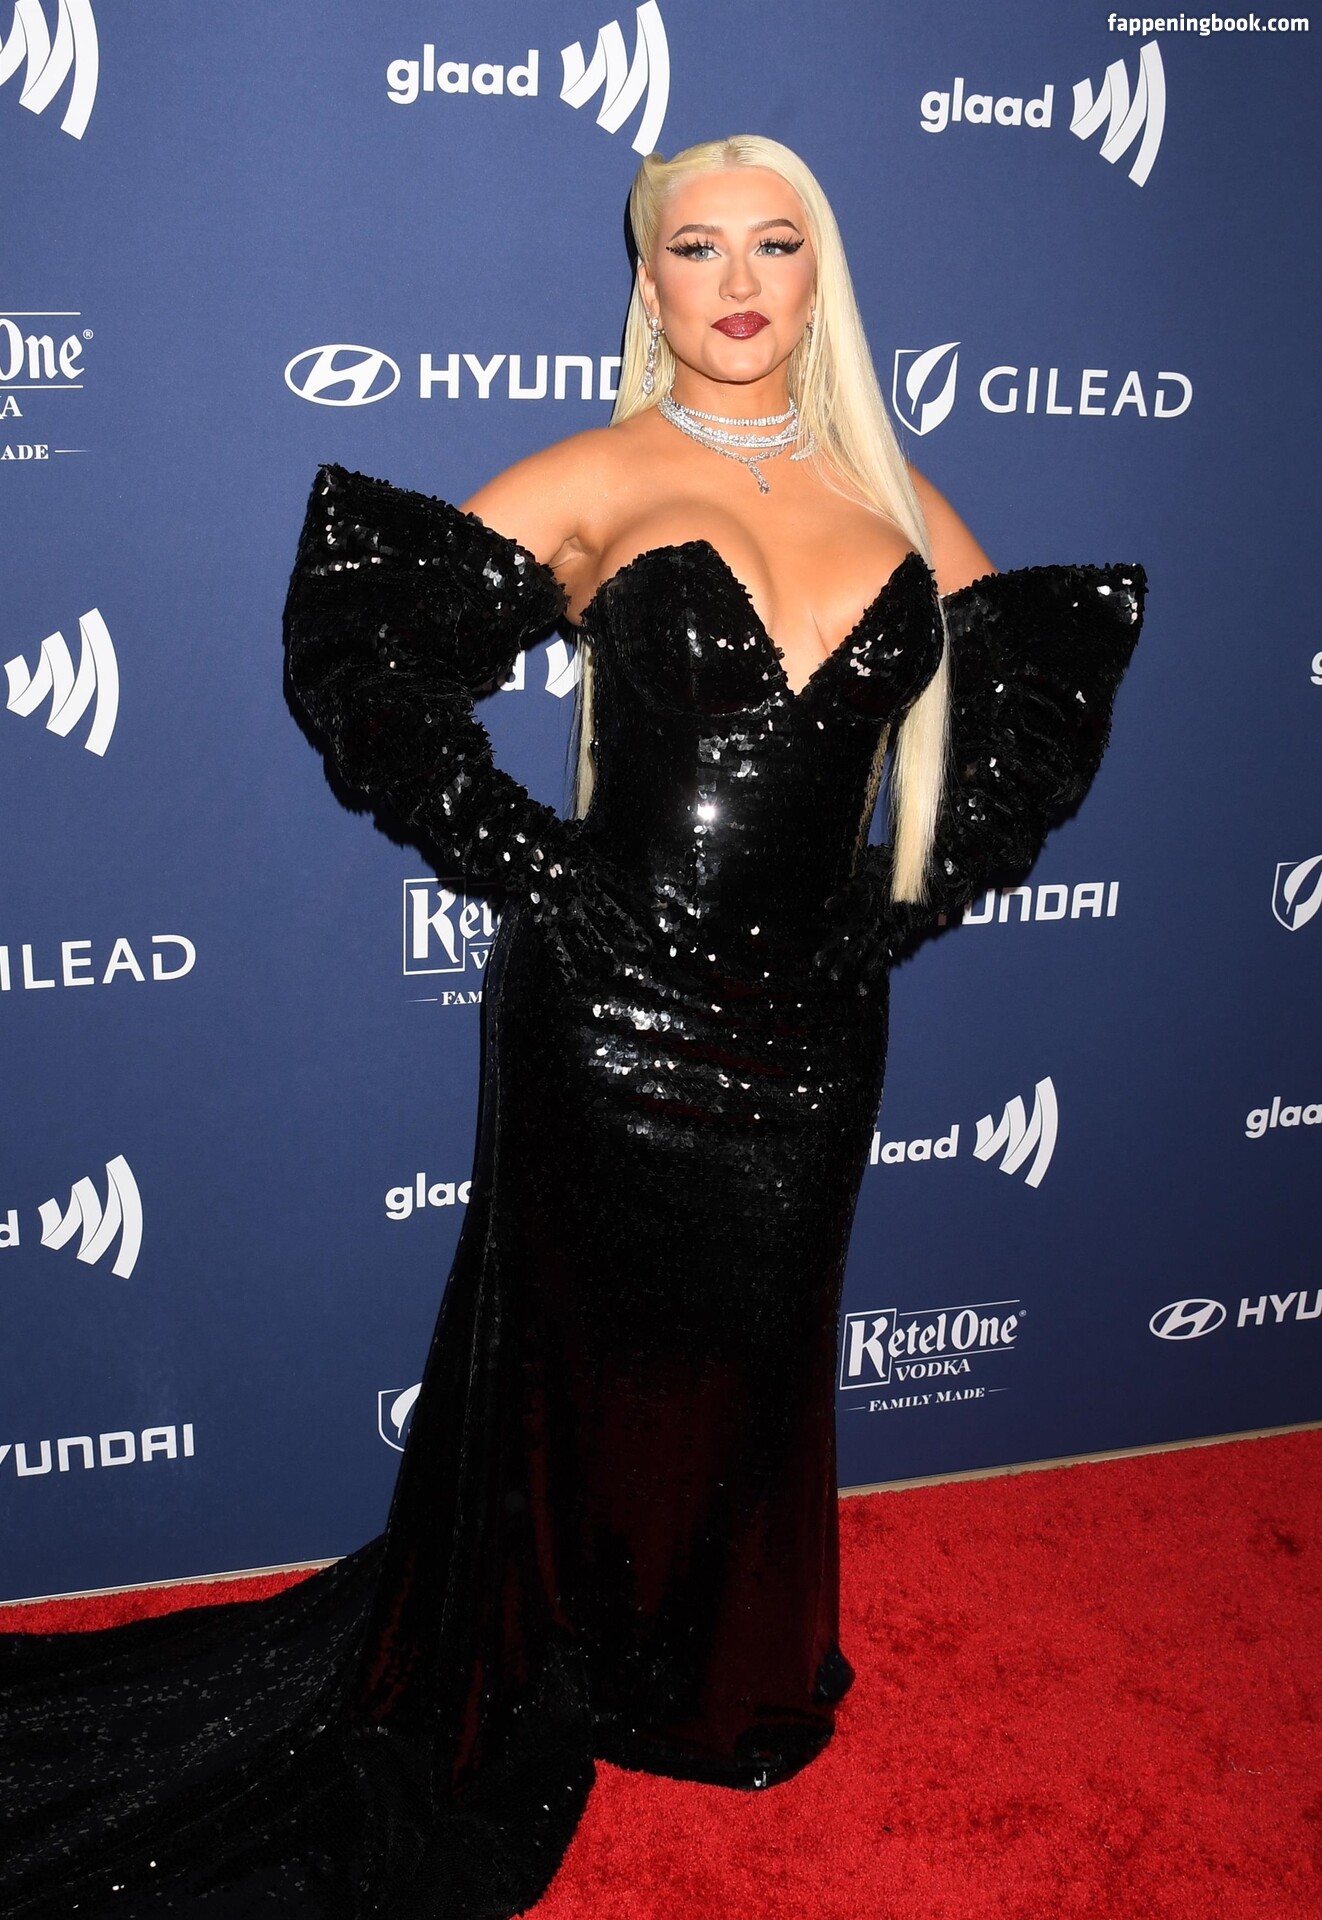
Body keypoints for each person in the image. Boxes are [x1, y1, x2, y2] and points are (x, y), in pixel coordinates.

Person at [0, 135, 1145, 1919]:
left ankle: (694, 1668)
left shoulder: (895, 497)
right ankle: (540, 1659)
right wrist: (540, 867)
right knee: (571, 1356)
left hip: (809, 1034)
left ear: (820, 275)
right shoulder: (604, 473)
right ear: (649, 279)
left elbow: (1024, 725)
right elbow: (368, 660)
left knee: (750, 1353)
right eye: (696, 248)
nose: (737, 282)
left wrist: (898, 903)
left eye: (775, 244)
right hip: (606, 1015)